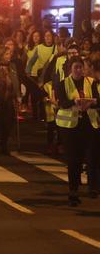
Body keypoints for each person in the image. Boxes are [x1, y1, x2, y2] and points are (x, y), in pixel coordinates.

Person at [54, 56, 99, 206]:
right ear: (70, 69)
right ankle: (73, 191)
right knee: (73, 159)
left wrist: (92, 102)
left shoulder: (91, 82)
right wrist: (75, 102)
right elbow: (62, 103)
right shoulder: (63, 84)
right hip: (69, 127)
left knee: (90, 156)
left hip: (88, 123)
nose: (79, 70)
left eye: (81, 67)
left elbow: (97, 99)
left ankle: (92, 187)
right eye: (76, 67)